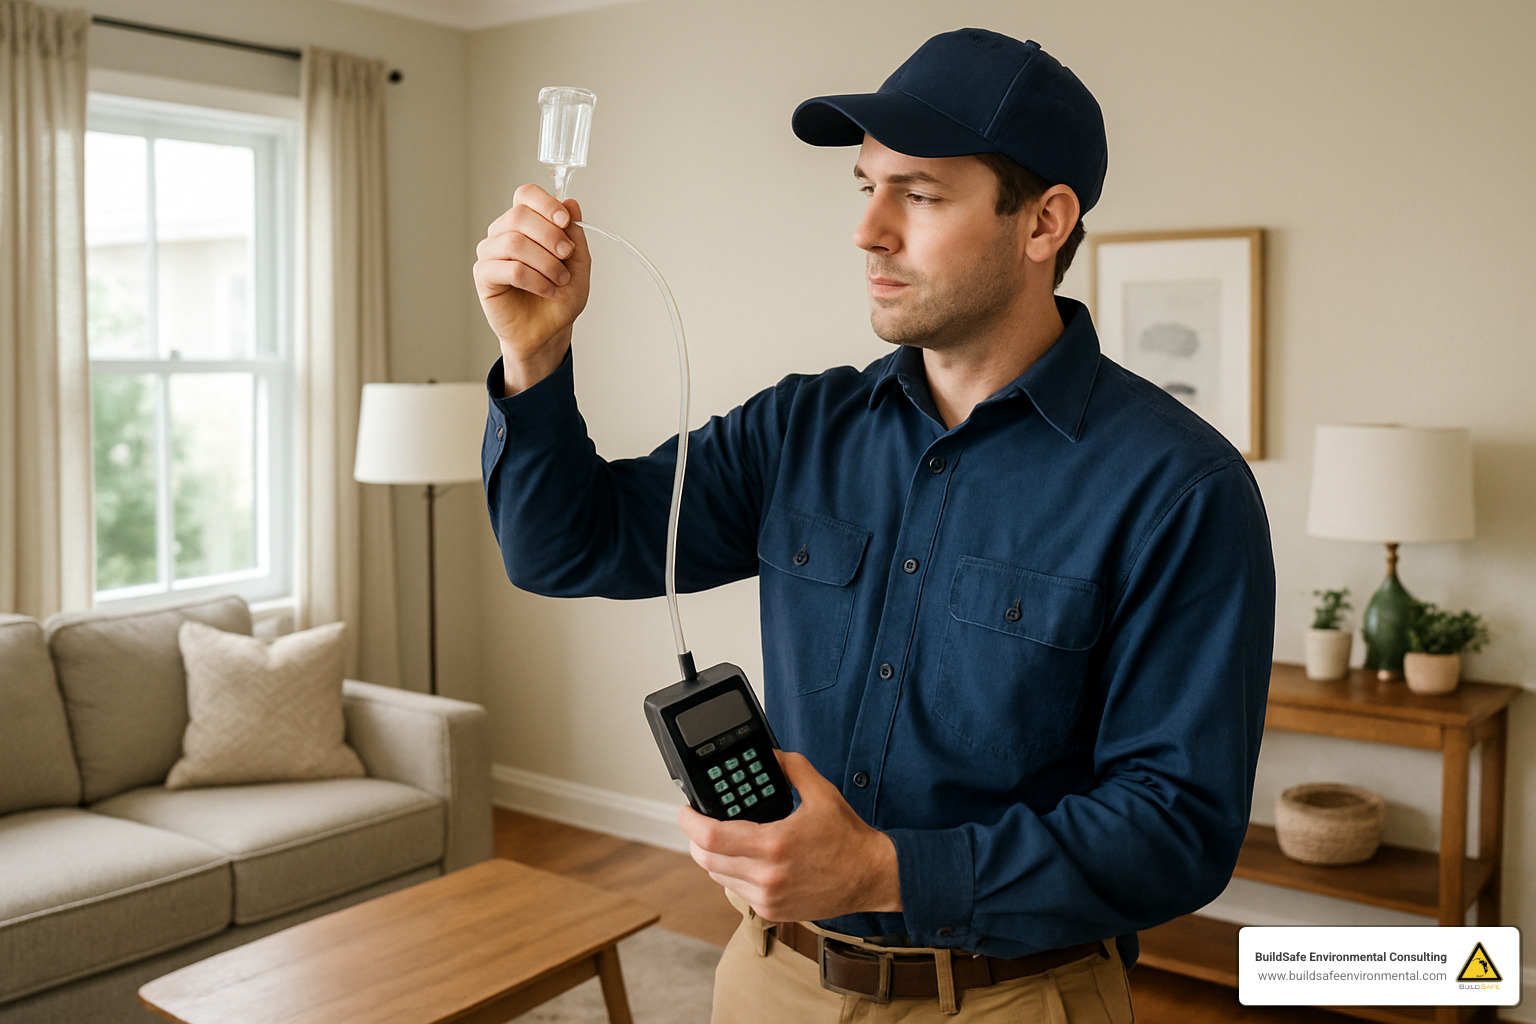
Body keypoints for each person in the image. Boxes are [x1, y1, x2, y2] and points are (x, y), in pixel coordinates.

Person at [474, 27, 1275, 1023]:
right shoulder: (798, 428)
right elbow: (565, 544)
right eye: (867, 187)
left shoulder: (1180, 487)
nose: (869, 230)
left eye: (922, 194)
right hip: (773, 975)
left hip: (1009, 997)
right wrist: (533, 357)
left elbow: (1175, 830)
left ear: (1043, 223)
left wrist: (884, 870)